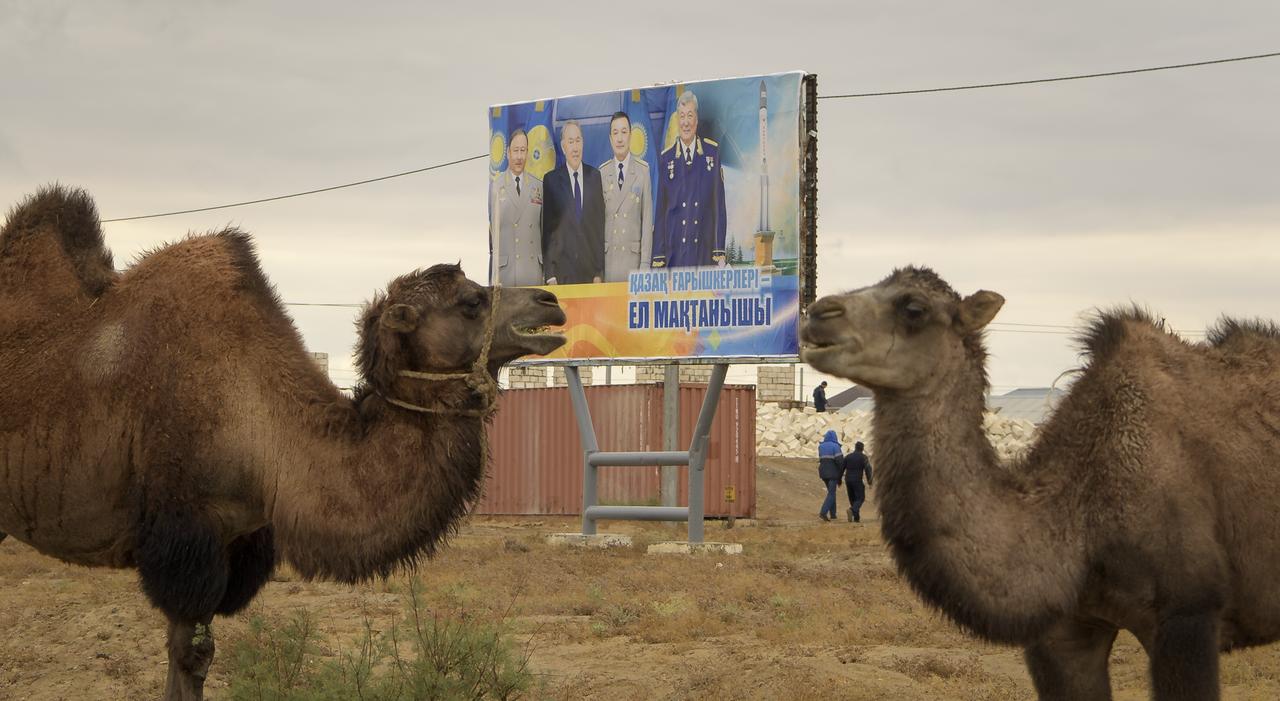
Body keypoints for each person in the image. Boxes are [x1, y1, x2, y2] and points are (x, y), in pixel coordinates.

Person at [652, 90, 726, 269]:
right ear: (677, 120)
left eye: (690, 116)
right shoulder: (667, 159)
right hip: (676, 253)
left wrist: (719, 251)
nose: (686, 122)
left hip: (704, 251)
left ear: (697, 120)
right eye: (682, 116)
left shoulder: (711, 154)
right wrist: (659, 255)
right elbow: (661, 211)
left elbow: (719, 206)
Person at [541, 120, 605, 284]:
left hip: (590, 275)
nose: (575, 148)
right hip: (561, 275)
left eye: (578, 141)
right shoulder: (551, 181)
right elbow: (547, 232)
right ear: (563, 147)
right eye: (571, 142)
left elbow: (599, 227)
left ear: (582, 143)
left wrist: (599, 272)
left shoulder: (595, 177)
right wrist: (550, 275)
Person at [598, 112, 653, 282]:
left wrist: (645, 264)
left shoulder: (643, 171)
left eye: (624, 132)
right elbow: (597, 226)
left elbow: (647, 222)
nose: (620, 138)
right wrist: (598, 270)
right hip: (609, 264)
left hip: (634, 264)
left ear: (631, 135)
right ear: (610, 138)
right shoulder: (602, 173)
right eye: (615, 133)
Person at [489, 129, 544, 286]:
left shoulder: (538, 186)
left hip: (532, 272)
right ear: (508, 153)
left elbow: (543, 231)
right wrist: (494, 277)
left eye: (523, 150)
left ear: (527, 152)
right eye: (515, 151)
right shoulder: (496, 187)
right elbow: (494, 236)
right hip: (507, 274)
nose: (519, 157)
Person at [817, 430, 844, 522]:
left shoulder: (821, 446)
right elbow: (840, 461)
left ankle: (833, 514)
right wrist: (841, 474)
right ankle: (823, 512)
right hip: (833, 473)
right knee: (832, 493)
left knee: (831, 492)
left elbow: (821, 459)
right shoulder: (836, 447)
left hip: (823, 473)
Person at [844, 441, 873, 523]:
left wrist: (839, 480)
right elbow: (868, 470)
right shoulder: (864, 457)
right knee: (860, 498)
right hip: (857, 480)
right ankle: (852, 510)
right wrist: (870, 482)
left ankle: (856, 518)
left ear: (855, 447)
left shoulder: (848, 457)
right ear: (862, 449)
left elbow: (842, 468)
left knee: (853, 499)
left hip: (848, 480)